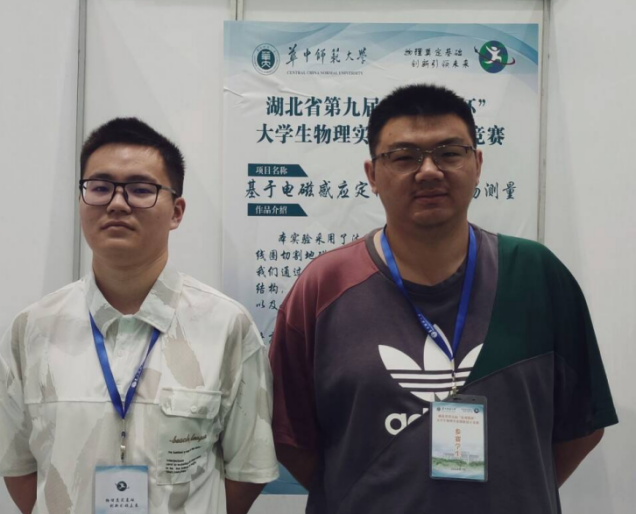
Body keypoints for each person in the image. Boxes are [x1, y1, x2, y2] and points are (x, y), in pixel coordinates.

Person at [269, 84, 618, 514]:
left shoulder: (537, 275)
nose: (429, 171)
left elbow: (582, 426)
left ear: (478, 164)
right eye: (404, 157)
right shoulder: (324, 285)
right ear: (372, 175)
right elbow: (291, 437)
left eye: (450, 153)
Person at [0, 118, 278, 514]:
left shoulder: (226, 326)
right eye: (99, 187)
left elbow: (246, 472)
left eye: (141, 189)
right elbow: (18, 467)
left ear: (176, 211)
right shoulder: (33, 329)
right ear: (81, 201)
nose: (117, 203)